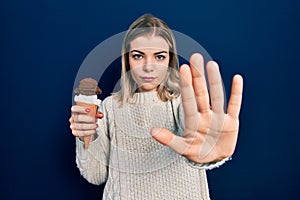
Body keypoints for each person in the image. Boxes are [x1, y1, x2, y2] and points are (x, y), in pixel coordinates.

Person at [69, 14, 243, 200]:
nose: (148, 67)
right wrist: (85, 135)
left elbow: (195, 138)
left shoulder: (183, 103)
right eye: (138, 56)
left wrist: (212, 150)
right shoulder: (108, 108)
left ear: (170, 60)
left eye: (159, 56)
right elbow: (95, 176)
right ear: (127, 60)